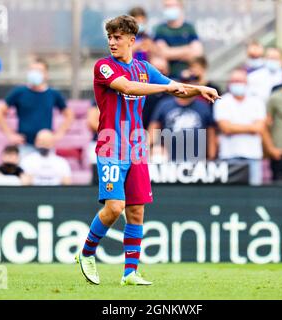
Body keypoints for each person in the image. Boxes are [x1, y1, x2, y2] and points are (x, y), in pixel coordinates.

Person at [76, 15, 219, 287]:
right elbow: (128, 87)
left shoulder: (143, 68)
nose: (112, 42)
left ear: (132, 40)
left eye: (117, 38)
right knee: (115, 208)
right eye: (110, 38)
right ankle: (86, 253)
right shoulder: (104, 67)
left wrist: (199, 89)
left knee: (136, 211)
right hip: (111, 144)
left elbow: (176, 87)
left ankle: (130, 273)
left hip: (137, 147)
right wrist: (166, 87)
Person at [0, 58, 73, 158]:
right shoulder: (19, 92)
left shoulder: (53, 94)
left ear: (46, 74)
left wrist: (59, 134)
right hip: (24, 146)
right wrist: (10, 134)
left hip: (46, 145)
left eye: (39, 71)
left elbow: (69, 114)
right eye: (32, 70)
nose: (35, 73)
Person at [148, 70, 217, 162]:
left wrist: (211, 157)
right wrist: (155, 147)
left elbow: (211, 133)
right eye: (184, 83)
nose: (187, 88)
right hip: (169, 159)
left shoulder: (203, 106)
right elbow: (153, 129)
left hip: (197, 159)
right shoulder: (165, 105)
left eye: (190, 83)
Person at [214, 69, 266, 186]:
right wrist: (250, 128)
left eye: (240, 81)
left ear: (246, 83)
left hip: (253, 155)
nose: (237, 84)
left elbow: (259, 128)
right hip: (229, 155)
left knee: (254, 193)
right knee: (231, 194)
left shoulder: (256, 101)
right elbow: (225, 128)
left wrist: (233, 127)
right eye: (234, 81)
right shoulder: (222, 101)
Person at [153, 0, 203, 79]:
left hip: (189, 77)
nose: (169, 9)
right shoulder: (160, 29)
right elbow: (163, 53)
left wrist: (171, 53)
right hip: (167, 78)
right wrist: (187, 49)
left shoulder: (189, 28)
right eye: (167, 6)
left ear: (180, 7)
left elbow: (197, 53)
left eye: (172, 6)